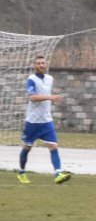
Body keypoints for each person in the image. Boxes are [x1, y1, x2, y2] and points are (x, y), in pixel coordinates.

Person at [17, 55, 72, 184]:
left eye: (43, 63)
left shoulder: (49, 79)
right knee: (26, 148)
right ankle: (21, 172)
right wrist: (50, 97)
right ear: (34, 65)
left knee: (53, 146)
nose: (41, 65)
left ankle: (58, 173)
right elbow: (32, 97)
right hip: (33, 121)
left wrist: (50, 98)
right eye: (38, 63)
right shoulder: (31, 80)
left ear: (46, 65)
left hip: (46, 120)